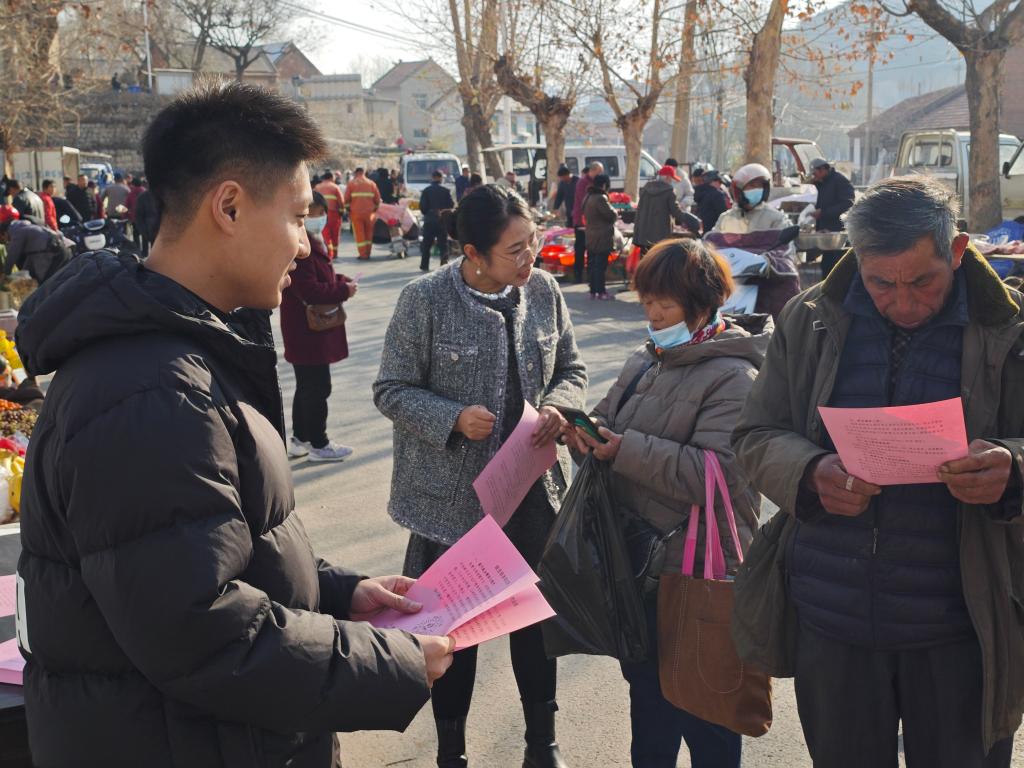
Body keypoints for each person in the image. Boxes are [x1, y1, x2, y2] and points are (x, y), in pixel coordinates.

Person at [14, 80, 454, 768]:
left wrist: (337, 591)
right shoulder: (150, 392)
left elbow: (212, 546)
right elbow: (201, 631)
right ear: (229, 206)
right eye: (298, 217)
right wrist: (388, 662)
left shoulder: (180, 356)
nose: (305, 246)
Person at [732, 176, 1024, 768]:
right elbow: (755, 434)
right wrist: (810, 471)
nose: (903, 302)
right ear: (857, 257)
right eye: (881, 283)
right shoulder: (809, 319)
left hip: (965, 625)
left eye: (922, 282)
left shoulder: (1010, 329)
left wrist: (1013, 467)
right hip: (833, 620)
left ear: (958, 250)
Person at [374, 184, 587, 768]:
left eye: (532, 242)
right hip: (450, 504)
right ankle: (452, 753)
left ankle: (542, 744)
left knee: (534, 627)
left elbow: (571, 367)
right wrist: (451, 418)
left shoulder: (543, 291)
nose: (530, 258)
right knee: (453, 634)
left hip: (532, 495)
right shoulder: (425, 300)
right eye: (515, 250)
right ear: (472, 252)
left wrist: (559, 407)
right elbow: (391, 389)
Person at [564, 237, 768, 768]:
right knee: (649, 704)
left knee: (706, 708)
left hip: (696, 570)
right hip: (639, 564)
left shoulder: (735, 376)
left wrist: (623, 449)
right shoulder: (647, 358)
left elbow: (718, 474)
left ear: (703, 304)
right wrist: (585, 432)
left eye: (666, 304)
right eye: (647, 301)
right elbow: (608, 416)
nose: (653, 315)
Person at [280, 190, 357, 462]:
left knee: (307, 386)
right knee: (317, 387)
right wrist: (342, 290)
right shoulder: (300, 246)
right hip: (307, 329)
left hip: (304, 328)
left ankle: (300, 439)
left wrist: (340, 280)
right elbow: (310, 290)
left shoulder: (309, 240)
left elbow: (319, 277)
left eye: (322, 212)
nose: (319, 217)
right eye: (313, 212)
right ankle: (319, 443)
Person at [634, 165, 701, 253]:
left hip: (643, 235)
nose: (672, 181)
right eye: (671, 179)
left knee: (645, 259)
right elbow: (676, 213)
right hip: (660, 236)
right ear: (667, 177)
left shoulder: (645, 189)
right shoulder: (669, 191)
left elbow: (639, 211)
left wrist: (636, 234)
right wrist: (692, 220)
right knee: (658, 259)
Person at [809, 157, 856, 278]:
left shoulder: (839, 180)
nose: (814, 176)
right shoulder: (821, 182)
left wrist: (824, 212)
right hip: (826, 231)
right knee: (826, 265)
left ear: (823, 169)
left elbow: (847, 203)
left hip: (837, 230)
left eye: (815, 173)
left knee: (835, 265)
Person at [713, 163, 788, 234]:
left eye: (760, 186)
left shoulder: (776, 218)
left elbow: (783, 240)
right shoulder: (725, 218)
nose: (757, 189)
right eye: (752, 186)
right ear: (739, 190)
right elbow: (714, 239)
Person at [0, 217, 71, 283]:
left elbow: (13, 254)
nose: (5, 241)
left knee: (47, 284)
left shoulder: (18, 232)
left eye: (2, 238)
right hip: (61, 249)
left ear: (4, 233)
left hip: (54, 253)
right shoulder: (25, 228)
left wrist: (5, 274)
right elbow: (30, 259)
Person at [582, 173, 617, 300]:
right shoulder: (601, 198)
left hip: (590, 235)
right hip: (602, 236)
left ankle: (593, 291)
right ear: (604, 185)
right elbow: (611, 215)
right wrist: (615, 211)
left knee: (592, 264)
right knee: (600, 266)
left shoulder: (588, 196)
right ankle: (601, 291)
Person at [571, 162, 603, 284]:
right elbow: (585, 202)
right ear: (593, 171)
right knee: (580, 249)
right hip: (581, 221)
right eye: (599, 172)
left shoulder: (593, 182)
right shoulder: (583, 183)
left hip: (590, 221)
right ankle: (578, 275)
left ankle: (590, 276)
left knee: (591, 249)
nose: (601, 174)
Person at [419, 169, 455, 272]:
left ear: (433, 177)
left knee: (427, 244)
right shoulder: (445, 191)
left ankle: (424, 265)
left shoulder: (426, 191)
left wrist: (428, 213)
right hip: (442, 219)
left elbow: (423, 207)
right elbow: (451, 205)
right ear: (440, 178)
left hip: (429, 220)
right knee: (443, 244)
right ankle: (444, 264)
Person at [343, 166, 381, 260]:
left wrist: (348, 209)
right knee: (369, 233)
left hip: (356, 213)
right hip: (370, 214)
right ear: (364, 172)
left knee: (360, 234)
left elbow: (346, 199)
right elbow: (377, 200)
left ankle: (363, 254)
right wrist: (374, 210)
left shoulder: (352, 183)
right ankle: (368, 252)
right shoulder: (371, 183)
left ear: (356, 173)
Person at [315, 171, 345, 258]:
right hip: (334, 214)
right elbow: (341, 202)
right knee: (335, 234)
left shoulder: (317, 187)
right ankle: (334, 253)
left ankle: (329, 254)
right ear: (331, 178)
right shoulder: (335, 187)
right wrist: (341, 211)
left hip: (321, 213)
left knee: (325, 234)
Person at [133, 186, 159, 257]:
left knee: (146, 244)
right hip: (155, 226)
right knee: (155, 248)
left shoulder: (142, 196)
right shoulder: (161, 195)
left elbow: (138, 214)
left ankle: (145, 255)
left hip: (146, 225)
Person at [552, 165, 578, 229]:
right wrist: (555, 208)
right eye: (561, 178)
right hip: (569, 211)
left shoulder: (578, 181)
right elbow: (559, 196)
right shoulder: (562, 183)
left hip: (578, 211)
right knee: (569, 228)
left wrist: (576, 209)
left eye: (563, 177)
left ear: (567, 175)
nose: (562, 179)